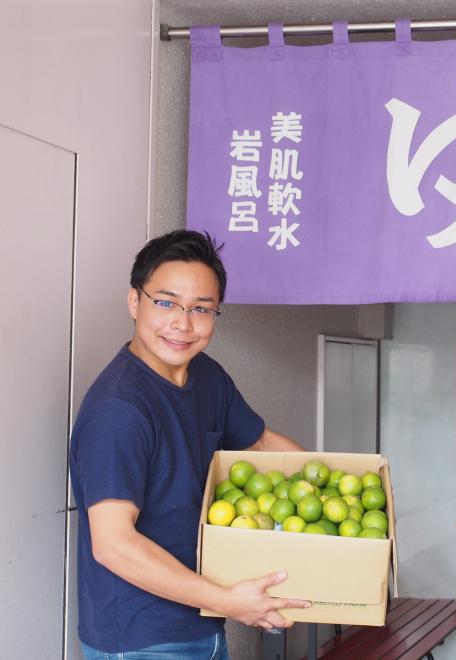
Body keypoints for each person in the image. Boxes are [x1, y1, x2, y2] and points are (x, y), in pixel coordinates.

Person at [69, 230, 311, 659]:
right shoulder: (118, 410)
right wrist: (229, 601)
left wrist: (346, 487)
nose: (182, 323)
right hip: (141, 640)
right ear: (134, 302)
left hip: (200, 622)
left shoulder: (207, 378)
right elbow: (113, 544)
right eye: (166, 303)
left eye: (201, 309)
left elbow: (262, 444)